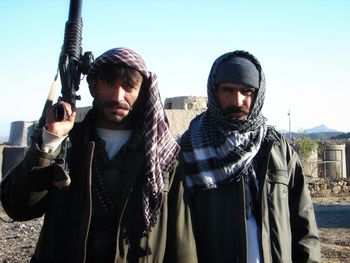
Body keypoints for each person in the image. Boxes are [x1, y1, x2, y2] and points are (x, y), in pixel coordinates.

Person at [1, 47, 197, 262]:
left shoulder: (163, 154)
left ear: (143, 91)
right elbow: (17, 208)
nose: (118, 96)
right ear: (93, 86)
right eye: (109, 84)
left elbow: (181, 240)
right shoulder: (66, 145)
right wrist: (50, 142)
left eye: (129, 86)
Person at [180, 50, 320, 262]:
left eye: (247, 91)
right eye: (228, 90)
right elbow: (177, 233)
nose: (238, 100)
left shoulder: (276, 148)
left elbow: (304, 227)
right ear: (214, 91)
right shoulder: (189, 149)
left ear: (258, 93)